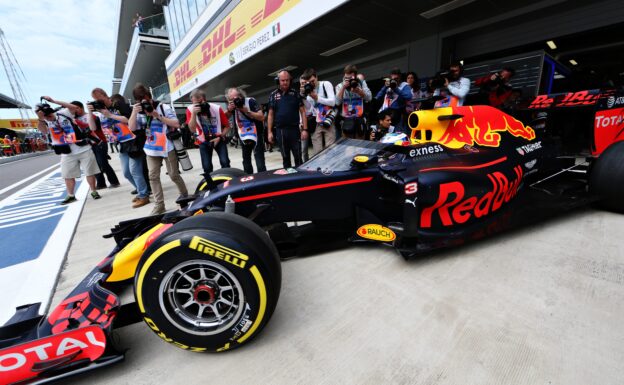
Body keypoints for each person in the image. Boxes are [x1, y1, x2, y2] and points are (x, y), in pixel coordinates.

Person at [130, 84, 188, 215]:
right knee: (153, 177)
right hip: (151, 148)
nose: (144, 103)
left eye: (146, 100)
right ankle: (159, 205)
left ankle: (184, 197)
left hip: (167, 147)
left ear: (150, 97)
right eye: (140, 101)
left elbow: (176, 124)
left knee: (174, 175)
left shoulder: (163, 107)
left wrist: (158, 116)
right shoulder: (139, 112)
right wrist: (134, 112)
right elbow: (132, 128)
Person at [90, 87, 150, 208]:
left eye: (98, 98)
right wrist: (90, 112)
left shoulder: (118, 104)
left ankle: (144, 195)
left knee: (135, 171)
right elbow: (92, 128)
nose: (97, 101)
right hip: (122, 143)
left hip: (133, 141)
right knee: (127, 173)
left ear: (104, 95)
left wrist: (110, 115)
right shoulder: (102, 111)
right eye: (94, 100)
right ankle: (141, 191)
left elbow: (128, 120)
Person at [36, 96, 101, 204]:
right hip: (66, 152)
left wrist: (53, 101)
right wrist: (41, 119)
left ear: (52, 111)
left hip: (82, 147)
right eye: (46, 117)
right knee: (67, 174)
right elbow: (43, 131)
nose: (49, 118)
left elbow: (74, 107)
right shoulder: (44, 121)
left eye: (50, 115)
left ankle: (94, 191)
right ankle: (71, 195)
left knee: (89, 172)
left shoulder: (63, 113)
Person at [71, 101, 120, 190]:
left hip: (99, 143)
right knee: (94, 165)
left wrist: (77, 122)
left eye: (76, 108)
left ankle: (114, 182)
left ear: (81, 107)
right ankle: (101, 184)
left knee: (103, 163)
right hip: (87, 145)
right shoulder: (73, 119)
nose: (75, 110)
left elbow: (91, 128)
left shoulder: (92, 116)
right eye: (73, 109)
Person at [267, 69, 308, 168]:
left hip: (294, 130)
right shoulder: (273, 95)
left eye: (287, 80)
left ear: (290, 80)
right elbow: (270, 114)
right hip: (280, 131)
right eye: (282, 80)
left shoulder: (295, 94)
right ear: (278, 81)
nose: (285, 82)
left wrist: (305, 130)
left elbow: (303, 111)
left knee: (298, 157)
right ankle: (289, 180)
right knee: (286, 158)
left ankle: (301, 179)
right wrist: (269, 132)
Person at [186, 88, 231, 176]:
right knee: (206, 166)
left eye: (197, 103)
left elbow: (227, 126)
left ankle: (228, 182)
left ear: (203, 100)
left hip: (218, 138)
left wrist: (220, 136)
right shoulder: (190, 110)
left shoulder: (216, 108)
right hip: (203, 140)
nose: (195, 106)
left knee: (225, 162)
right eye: (193, 103)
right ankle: (211, 186)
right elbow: (192, 129)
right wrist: (194, 114)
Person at [225, 87, 267, 174]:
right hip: (244, 135)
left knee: (259, 160)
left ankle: (263, 179)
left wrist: (247, 111)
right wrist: (229, 110)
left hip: (256, 134)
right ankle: (249, 180)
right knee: (246, 161)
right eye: (231, 99)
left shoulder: (250, 101)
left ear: (240, 95)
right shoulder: (233, 106)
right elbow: (224, 119)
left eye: (235, 98)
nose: (234, 101)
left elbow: (262, 117)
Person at [299, 68, 336, 155]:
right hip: (316, 121)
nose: (312, 84)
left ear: (316, 77)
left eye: (312, 81)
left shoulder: (326, 84)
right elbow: (311, 108)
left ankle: (329, 168)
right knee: (317, 151)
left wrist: (317, 98)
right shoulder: (308, 90)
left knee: (330, 149)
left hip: (328, 119)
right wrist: (302, 95)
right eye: (308, 82)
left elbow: (332, 102)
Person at [335, 64, 372, 139]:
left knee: (360, 147)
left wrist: (359, 92)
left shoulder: (361, 83)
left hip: (359, 119)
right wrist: (343, 87)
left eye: (350, 78)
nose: (348, 80)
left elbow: (369, 98)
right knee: (348, 147)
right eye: (346, 78)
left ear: (355, 76)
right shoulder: (340, 86)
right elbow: (337, 102)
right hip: (347, 121)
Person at [375, 68, 413, 133]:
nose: (395, 80)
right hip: (386, 115)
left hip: (398, 115)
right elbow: (377, 97)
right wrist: (385, 87)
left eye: (396, 79)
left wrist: (396, 89)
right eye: (393, 79)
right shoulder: (388, 85)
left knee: (398, 136)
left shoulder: (404, 85)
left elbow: (409, 96)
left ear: (400, 77)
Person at [299, 75, 315, 161]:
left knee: (316, 146)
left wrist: (305, 96)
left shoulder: (312, 93)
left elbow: (310, 107)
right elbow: (299, 111)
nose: (303, 85)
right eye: (302, 83)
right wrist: (300, 123)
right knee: (304, 149)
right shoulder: (298, 96)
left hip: (313, 121)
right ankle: (306, 164)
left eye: (305, 83)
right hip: (303, 123)